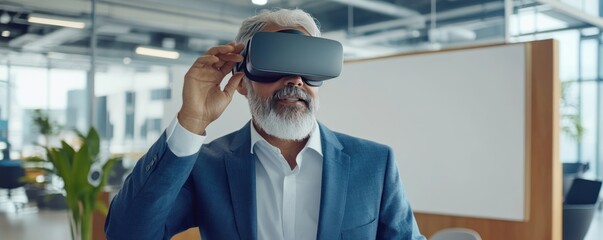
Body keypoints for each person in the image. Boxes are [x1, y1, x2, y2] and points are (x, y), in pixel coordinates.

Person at [105, 8, 425, 240]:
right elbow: (126, 233)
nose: (295, 80)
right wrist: (191, 121)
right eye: (276, 64)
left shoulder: (374, 164)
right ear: (241, 81)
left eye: (307, 66)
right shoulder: (206, 167)